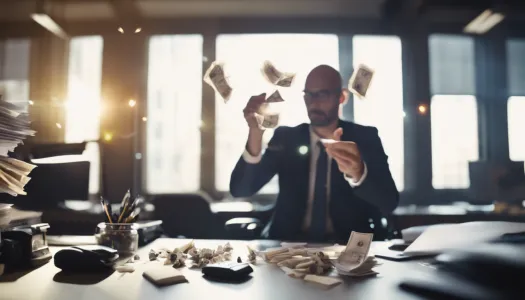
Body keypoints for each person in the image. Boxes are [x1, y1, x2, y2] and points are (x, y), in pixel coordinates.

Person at [229, 65, 399, 242]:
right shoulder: (286, 138)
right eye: (308, 95)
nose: (313, 103)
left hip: (346, 249)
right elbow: (240, 189)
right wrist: (255, 134)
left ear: (341, 97)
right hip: (287, 247)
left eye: (322, 94)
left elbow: (389, 202)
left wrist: (359, 175)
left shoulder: (364, 138)